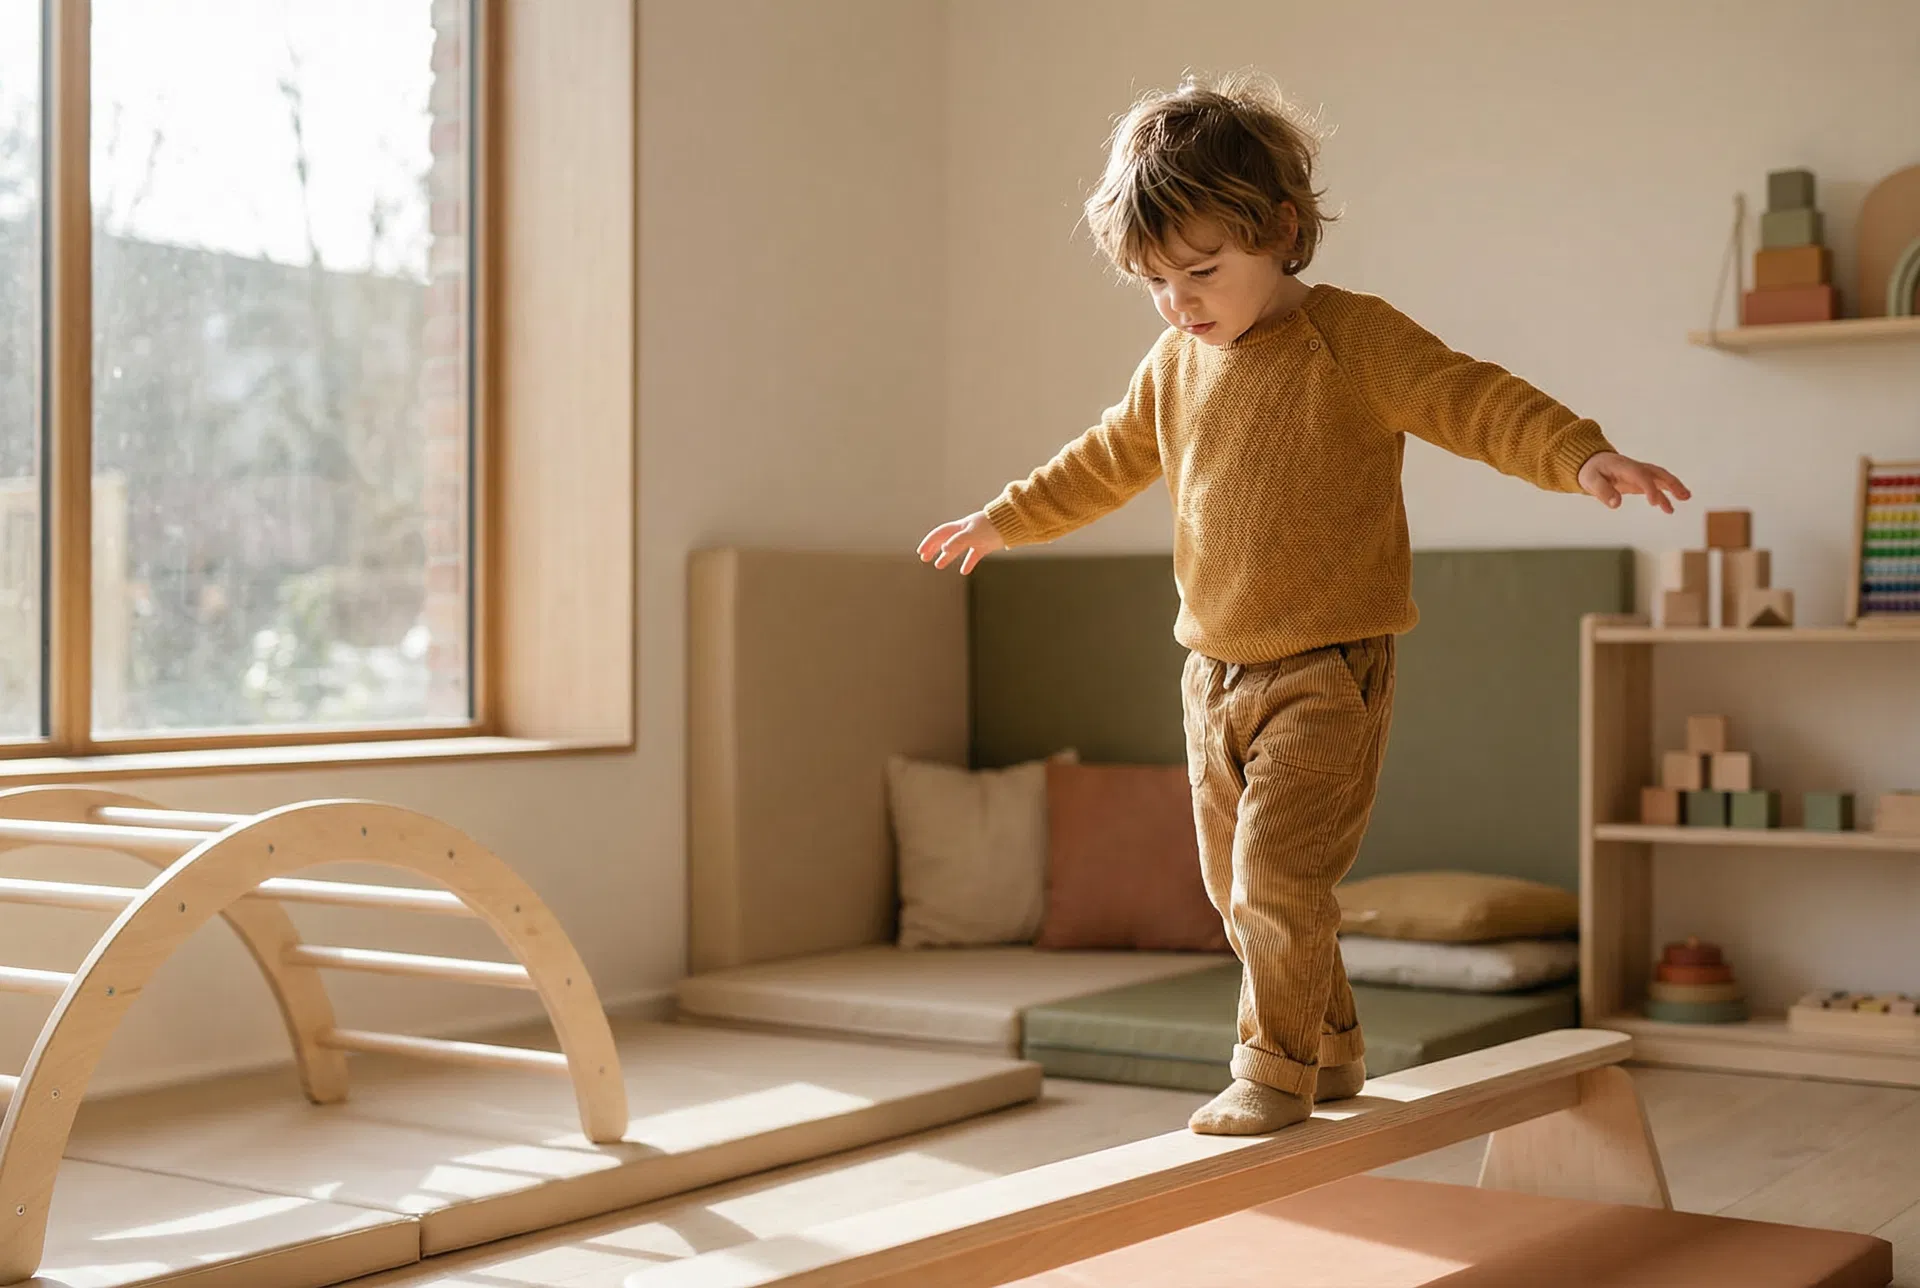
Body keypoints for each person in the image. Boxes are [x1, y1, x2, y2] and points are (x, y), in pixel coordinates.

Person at [917, 72, 1688, 1136]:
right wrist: (1007, 518)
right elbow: (1104, 459)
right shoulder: (1173, 364)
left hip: (1329, 670)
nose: (1180, 302)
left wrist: (1580, 452)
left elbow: (1472, 397)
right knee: (1243, 900)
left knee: (1280, 881)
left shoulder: (1352, 342)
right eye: (1154, 282)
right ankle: (1329, 1050)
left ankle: (1271, 1073)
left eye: (1201, 270)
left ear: (1280, 229)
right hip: (1212, 674)